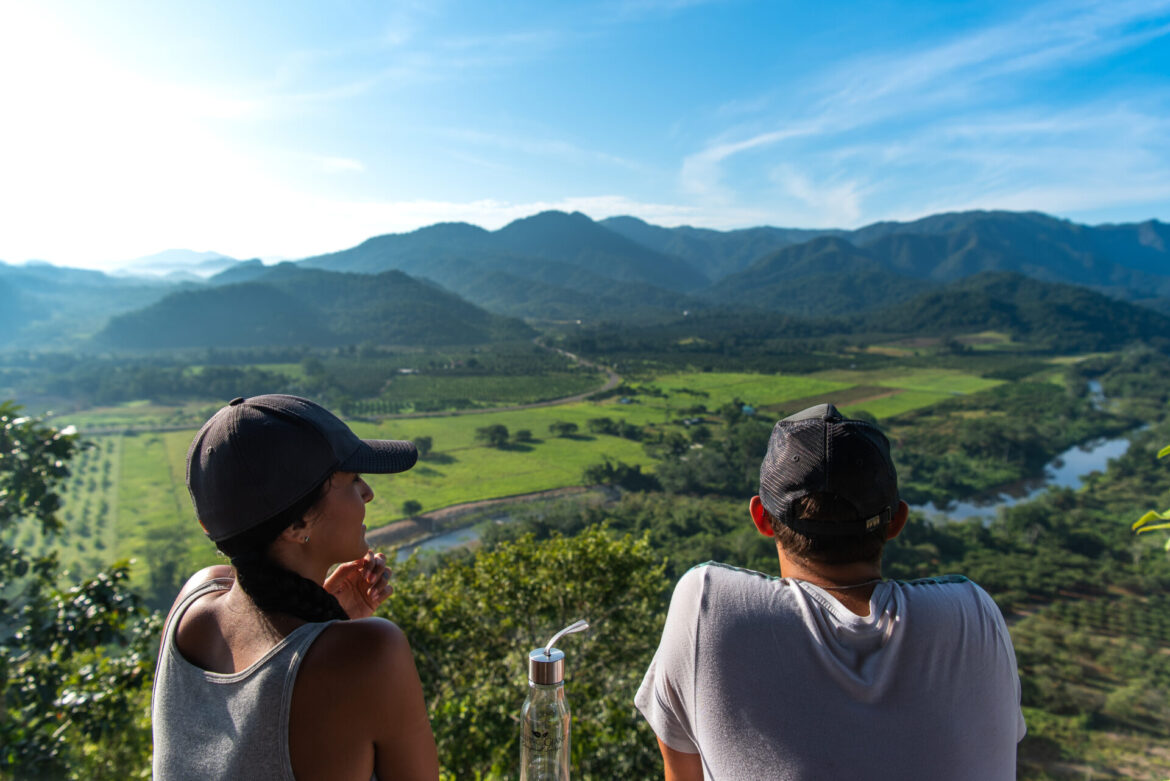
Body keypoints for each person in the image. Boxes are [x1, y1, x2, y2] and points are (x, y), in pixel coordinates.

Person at [635, 403, 1026, 781]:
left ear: (761, 518)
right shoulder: (972, 613)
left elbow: (683, 773)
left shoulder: (707, 605)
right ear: (897, 522)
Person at [152, 394, 440, 780]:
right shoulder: (372, 652)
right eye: (353, 479)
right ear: (297, 524)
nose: (367, 492)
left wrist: (324, 621)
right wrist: (336, 640)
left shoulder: (195, 602)